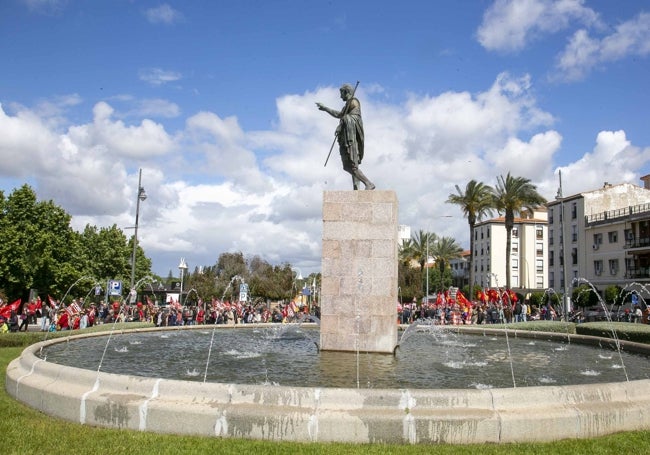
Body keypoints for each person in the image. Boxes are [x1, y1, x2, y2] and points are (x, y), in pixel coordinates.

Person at [316, 84, 375, 190]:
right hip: (345, 136)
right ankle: (361, 186)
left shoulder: (353, 102)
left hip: (351, 137)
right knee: (347, 166)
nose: (340, 96)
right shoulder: (348, 104)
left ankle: (368, 184)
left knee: (353, 164)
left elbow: (354, 118)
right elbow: (339, 114)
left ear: (346, 92)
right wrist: (325, 108)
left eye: (341, 93)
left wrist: (343, 122)